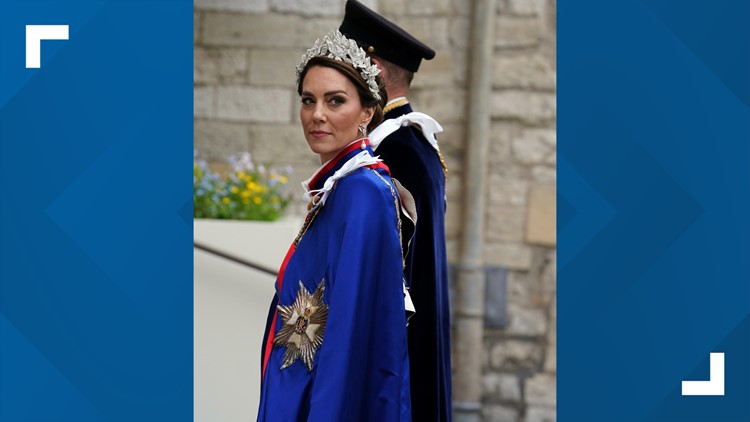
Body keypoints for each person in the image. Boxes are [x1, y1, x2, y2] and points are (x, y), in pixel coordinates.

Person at [257, 30, 413, 422]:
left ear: (366, 113)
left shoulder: (362, 192)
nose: (317, 115)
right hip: (300, 388)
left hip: (322, 400)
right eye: (308, 101)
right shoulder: (342, 185)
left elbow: (351, 331)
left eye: (335, 101)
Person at [339, 1, 453, 421]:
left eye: (345, 63)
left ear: (373, 67)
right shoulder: (412, 143)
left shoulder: (393, 150)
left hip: (395, 354)